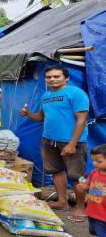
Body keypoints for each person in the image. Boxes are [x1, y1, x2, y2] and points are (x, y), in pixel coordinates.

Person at [20, 65, 89, 221]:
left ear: (66, 78)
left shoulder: (76, 93)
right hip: (49, 140)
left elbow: (82, 119)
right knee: (56, 171)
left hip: (72, 142)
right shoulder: (46, 96)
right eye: (49, 77)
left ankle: (79, 207)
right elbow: (41, 117)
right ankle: (62, 202)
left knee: (77, 176)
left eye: (56, 76)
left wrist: (72, 144)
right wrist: (27, 114)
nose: (52, 79)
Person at [77, 144, 106, 236]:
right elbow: (88, 185)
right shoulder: (94, 173)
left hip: (103, 215)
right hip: (92, 212)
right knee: (94, 231)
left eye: (99, 161)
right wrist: (83, 187)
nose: (94, 163)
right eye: (93, 160)